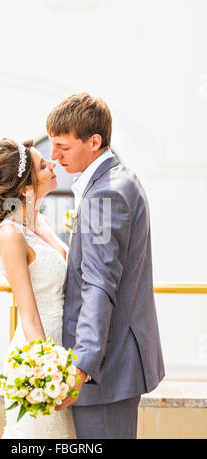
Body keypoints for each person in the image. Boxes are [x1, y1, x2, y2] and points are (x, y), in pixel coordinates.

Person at [46, 92, 165, 439]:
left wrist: (82, 365)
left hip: (105, 369)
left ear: (94, 142)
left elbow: (98, 284)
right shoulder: (119, 178)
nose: (55, 156)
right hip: (116, 360)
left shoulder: (105, 195)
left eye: (62, 146)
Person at [0, 138, 77, 439]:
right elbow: (29, 315)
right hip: (38, 358)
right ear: (25, 187)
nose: (53, 164)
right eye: (42, 165)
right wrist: (50, 374)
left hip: (64, 347)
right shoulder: (9, 235)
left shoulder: (43, 222)